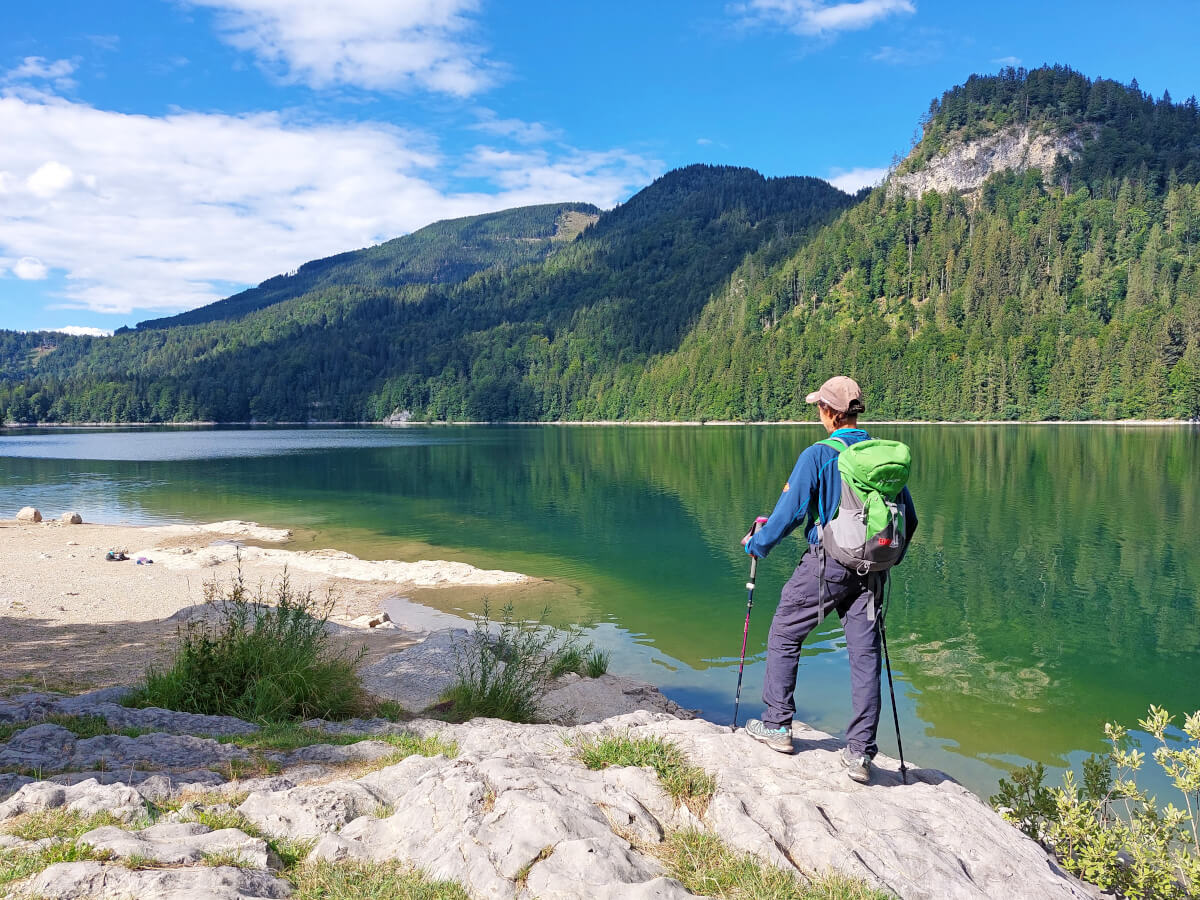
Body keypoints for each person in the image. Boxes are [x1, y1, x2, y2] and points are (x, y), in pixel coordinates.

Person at [741, 375, 917, 784]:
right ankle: (859, 754)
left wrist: (758, 544)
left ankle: (778, 725)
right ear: (856, 412)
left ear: (827, 411)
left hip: (828, 564)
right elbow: (912, 518)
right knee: (865, 654)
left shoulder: (819, 454)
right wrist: (882, 560)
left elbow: (789, 512)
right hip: (872, 570)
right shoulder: (882, 457)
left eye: (819, 407)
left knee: (785, 631)